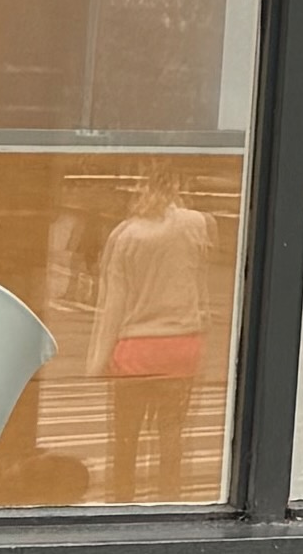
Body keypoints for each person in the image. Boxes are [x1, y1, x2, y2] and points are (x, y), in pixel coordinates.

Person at [86, 179, 224, 499]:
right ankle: (169, 499)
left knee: (126, 439)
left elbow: (113, 305)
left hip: (135, 351)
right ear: (176, 192)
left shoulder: (124, 236)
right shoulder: (196, 225)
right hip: (181, 349)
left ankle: (122, 501)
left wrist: (98, 361)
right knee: (172, 436)